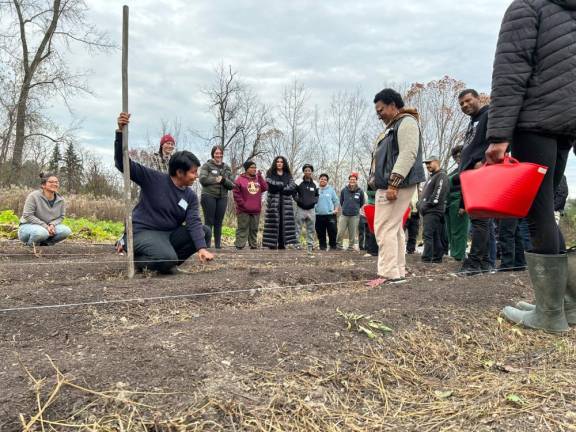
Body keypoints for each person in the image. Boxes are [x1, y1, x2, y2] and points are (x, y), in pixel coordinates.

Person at [486, 0, 575, 332]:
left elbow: (511, 70)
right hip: (565, 125)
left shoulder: (528, 7)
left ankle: (550, 314)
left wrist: (498, 135)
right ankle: (565, 303)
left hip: (534, 122)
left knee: (537, 214)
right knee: (545, 211)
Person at [115, 112, 214, 274]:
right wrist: (120, 132)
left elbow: (194, 221)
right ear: (180, 172)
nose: (196, 176)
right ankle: (138, 259)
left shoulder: (190, 196)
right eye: (193, 172)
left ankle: (166, 263)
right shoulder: (153, 179)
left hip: (168, 234)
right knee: (166, 257)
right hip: (143, 232)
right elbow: (122, 163)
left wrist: (201, 248)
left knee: (204, 232)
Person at [367, 88, 425, 287]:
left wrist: (393, 182)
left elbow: (408, 153)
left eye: (381, 110)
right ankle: (397, 272)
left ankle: (389, 274)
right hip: (392, 185)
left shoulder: (406, 122)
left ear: (393, 105)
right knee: (394, 229)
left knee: (384, 228)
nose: (379, 115)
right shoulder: (395, 125)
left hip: (397, 185)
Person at [456, 89, 493, 275]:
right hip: (469, 175)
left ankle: (474, 264)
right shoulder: (473, 122)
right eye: (461, 104)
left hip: (480, 172)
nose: (465, 105)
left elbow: (501, 138)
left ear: (478, 99)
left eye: (468, 101)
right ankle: (485, 263)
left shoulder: (488, 115)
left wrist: (484, 162)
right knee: (480, 220)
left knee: (480, 221)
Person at [18, 173, 72, 246]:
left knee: (66, 231)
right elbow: (27, 215)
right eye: (51, 182)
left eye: (56, 182)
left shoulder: (61, 200)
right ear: (43, 185)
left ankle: (45, 244)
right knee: (41, 233)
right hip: (28, 227)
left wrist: (52, 225)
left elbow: (61, 217)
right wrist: (45, 226)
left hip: (48, 227)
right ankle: (30, 245)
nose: (55, 184)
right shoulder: (34, 196)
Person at [199, 145, 235, 249]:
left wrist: (223, 180)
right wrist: (215, 179)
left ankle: (218, 247)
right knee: (209, 221)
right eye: (216, 153)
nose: (218, 155)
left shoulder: (226, 167)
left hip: (222, 197)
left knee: (219, 222)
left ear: (222, 154)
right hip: (208, 196)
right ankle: (206, 246)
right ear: (213, 154)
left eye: (220, 153)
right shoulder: (207, 166)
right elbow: (203, 180)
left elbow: (232, 185)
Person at [418, 155, 450, 263]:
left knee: (428, 235)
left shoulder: (441, 175)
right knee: (435, 235)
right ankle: (437, 258)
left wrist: (427, 205)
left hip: (433, 210)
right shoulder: (432, 177)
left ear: (437, 162)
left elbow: (438, 193)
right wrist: (420, 204)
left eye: (429, 163)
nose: (427, 165)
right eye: (426, 163)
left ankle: (426, 258)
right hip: (428, 211)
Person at [262, 156, 298, 249]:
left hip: (286, 204)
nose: (279, 163)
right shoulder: (270, 173)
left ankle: (282, 244)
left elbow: (292, 187)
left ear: (284, 163)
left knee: (284, 224)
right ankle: (272, 244)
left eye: (281, 162)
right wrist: (282, 186)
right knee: (273, 223)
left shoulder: (288, 175)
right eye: (277, 161)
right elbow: (270, 187)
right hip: (273, 203)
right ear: (275, 163)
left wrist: (280, 188)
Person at [233, 160, 268, 250]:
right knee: (242, 227)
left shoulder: (258, 178)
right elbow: (236, 193)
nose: (254, 169)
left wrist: (260, 177)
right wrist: (242, 204)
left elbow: (265, 188)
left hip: (256, 209)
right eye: (252, 167)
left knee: (254, 228)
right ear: (247, 169)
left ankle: (253, 244)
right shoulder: (240, 179)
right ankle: (240, 245)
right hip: (243, 209)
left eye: (255, 167)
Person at [445, 145, 469, 261]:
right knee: (450, 231)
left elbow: (468, 188)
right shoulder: (455, 171)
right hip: (449, 203)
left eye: (460, 155)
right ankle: (454, 254)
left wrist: (463, 205)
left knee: (459, 231)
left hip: (460, 201)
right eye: (455, 156)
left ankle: (459, 255)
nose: (457, 158)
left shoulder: (468, 168)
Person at [294, 164, 319, 252]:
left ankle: (310, 245)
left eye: (309, 170)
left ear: (311, 172)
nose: (308, 172)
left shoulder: (315, 183)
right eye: (306, 170)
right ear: (304, 171)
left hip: (311, 209)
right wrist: (299, 201)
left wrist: (314, 201)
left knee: (311, 228)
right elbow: (294, 194)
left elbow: (317, 195)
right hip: (301, 208)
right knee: (298, 227)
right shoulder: (298, 181)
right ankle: (297, 244)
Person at [336, 173, 365, 250]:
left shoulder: (360, 191)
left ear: (356, 181)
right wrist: (345, 208)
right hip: (344, 215)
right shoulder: (344, 190)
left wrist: (355, 208)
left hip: (354, 216)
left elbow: (362, 202)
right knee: (340, 231)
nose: (352, 180)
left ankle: (351, 247)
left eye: (354, 179)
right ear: (349, 180)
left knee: (352, 233)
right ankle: (339, 245)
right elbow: (341, 201)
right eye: (351, 179)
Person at [315, 173, 340, 251]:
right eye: (321, 179)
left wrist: (336, 209)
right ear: (319, 180)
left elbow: (336, 201)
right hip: (318, 215)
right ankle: (322, 246)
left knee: (333, 231)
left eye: (325, 179)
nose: (323, 180)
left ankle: (333, 246)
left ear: (327, 181)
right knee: (320, 232)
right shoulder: (316, 190)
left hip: (330, 215)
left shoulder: (331, 190)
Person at [405, 187, 420, 254]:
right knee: (401, 232)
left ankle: (411, 250)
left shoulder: (418, 187)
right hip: (405, 212)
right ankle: (398, 250)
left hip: (415, 213)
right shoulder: (406, 185)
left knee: (413, 233)